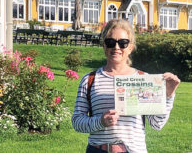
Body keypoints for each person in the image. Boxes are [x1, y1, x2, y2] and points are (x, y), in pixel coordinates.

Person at [72, 19, 180, 153]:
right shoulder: (90, 80)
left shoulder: (144, 80)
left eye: (123, 43)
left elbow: (156, 124)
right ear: (104, 45)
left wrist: (168, 95)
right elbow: (77, 121)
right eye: (110, 42)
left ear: (130, 47)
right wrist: (100, 121)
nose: (116, 47)